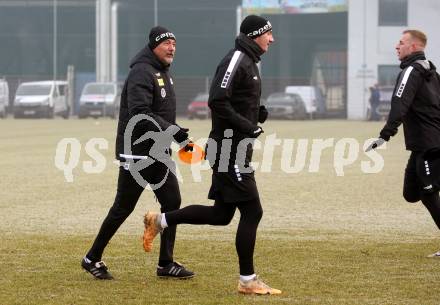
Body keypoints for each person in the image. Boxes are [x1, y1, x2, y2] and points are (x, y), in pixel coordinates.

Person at [142, 15, 281, 295]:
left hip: (235, 148)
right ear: (256, 34)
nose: (272, 38)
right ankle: (247, 281)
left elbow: (236, 99)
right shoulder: (237, 59)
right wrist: (247, 125)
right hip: (229, 149)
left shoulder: (250, 61)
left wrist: (256, 112)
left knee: (221, 215)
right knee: (253, 211)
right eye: (268, 33)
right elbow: (217, 100)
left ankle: (160, 221)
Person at [81, 26, 194, 280]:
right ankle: (91, 258)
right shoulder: (142, 71)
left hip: (157, 151)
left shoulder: (161, 71)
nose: (172, 47)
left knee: (172, 202)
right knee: (123, 207)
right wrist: (173, 131)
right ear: (155, 45)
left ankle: (165, 264)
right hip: (138, 153)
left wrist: (172, 136)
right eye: (167, 43)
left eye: (175, 43)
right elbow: (140, 114)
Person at [366, 30, 440, 257]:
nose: (397, 46)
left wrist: (385, 134)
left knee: (428, 192)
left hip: (431, 143)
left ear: (415, 46)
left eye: (401, 42)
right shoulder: (430, 71)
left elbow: (400, 103)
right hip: (421, 145)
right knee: (412, 193)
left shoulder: (412, 71)